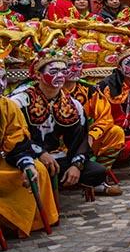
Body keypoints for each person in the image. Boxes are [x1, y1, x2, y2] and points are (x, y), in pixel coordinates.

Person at [11, 49, 117, 195]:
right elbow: (14, 137)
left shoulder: (73, 105)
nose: (60, 76)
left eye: (63, 71)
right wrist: (40, 153)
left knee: (97, 171)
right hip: (26, 155)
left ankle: (59, 183)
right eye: (54, 71)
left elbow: (80, 140)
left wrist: (76, 165)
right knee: (36, 170)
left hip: (57, 158)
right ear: (38, 75)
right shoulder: (19, 102)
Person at [0, 60, 60, 236]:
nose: (1, 85)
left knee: (37, 169)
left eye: (3, 78)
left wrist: (26, 163)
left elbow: (16, 137)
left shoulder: (7, 105)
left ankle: (26, 223)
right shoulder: (21, 100)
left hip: (4, 160)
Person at [63, 48, 125, 172]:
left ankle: (100, 173)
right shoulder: (50, 91)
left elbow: (105, 118)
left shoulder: (89, 90)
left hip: (85, 138)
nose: (75, 69)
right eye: (69, 66)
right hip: (56, 141)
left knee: (116, 132)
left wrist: (92, 135)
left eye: (78, 65)